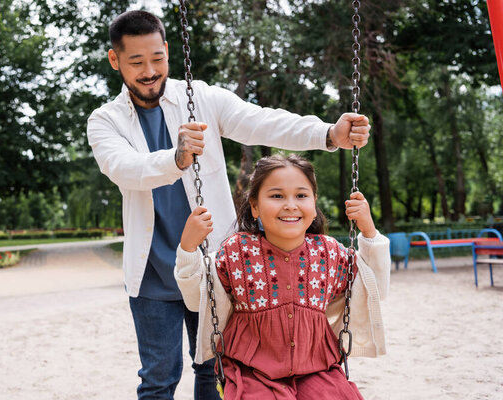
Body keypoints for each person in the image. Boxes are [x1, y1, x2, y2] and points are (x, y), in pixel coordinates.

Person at [87, 9, 371, 400]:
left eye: (157, 58)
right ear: (115, 60)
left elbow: (263, 122)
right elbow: (124, 167)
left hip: (213, 267)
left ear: (168, 51)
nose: (150, 71)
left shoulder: (200, 97)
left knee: (213, 369)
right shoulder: (105, 120)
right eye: (136, 62)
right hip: (153, 274)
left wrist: (327, 133)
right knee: (157, 378)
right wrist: (176, 158)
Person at [175, 154, 390, 400]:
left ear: (314, 202)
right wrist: (189, 248)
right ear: (254, 206)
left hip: (316, 367)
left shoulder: (328, 252)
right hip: (251, 370)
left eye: (301, 195)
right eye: (277, 196)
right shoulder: (238, 251)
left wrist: (369, 230)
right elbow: (196, 299)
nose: (290, 204)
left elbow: (375, 289)